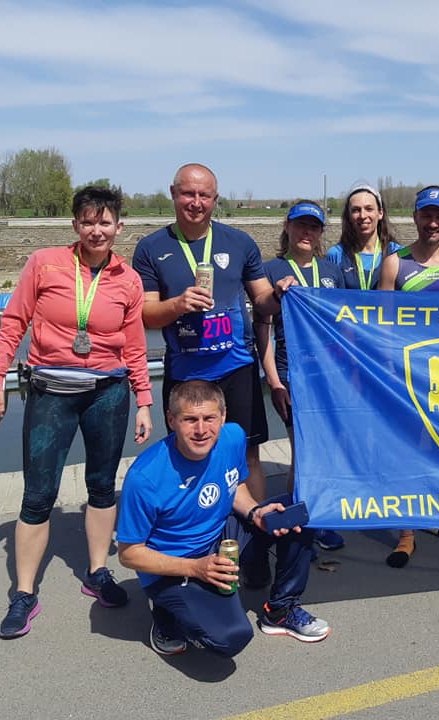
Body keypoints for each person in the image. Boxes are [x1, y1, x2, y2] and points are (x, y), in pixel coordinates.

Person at [0, 186, 153, 639]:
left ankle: (97, 572)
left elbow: (135, 346)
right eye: (88, 221)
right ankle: (24, 593)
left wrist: (144, 400)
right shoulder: (45, 263)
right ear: (75, 224)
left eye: (105, 222)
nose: (97, 230)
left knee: (102, 487)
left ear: (119, 227)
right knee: (38, 496)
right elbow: (13, 323)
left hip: (108, 393)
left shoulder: (128, 280)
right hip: (50, 394)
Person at [117, 380, 330, 656]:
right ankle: (165, 611)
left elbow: (235, 483)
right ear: (171, 420)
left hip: (220, 538)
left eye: (209, 418)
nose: (201, 430)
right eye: (190, 420)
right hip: (175, 564)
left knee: (296, 512)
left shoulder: (233, 437)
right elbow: (129, 554)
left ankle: (280, 611)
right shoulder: (144, 477)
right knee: (231, 639)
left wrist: (255, 511)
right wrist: (195, 568)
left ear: (223, 416)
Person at [133, 163, 280, 502]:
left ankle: (255, 527)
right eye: (188, 193)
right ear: (173, 193)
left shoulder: (239, 242)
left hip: (236, 368)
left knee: (247, 457)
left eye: (204, 195)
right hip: (186, 374)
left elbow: (262, 299)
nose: (196, 202)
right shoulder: (151, 247)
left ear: (215, 198)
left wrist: (280, 294)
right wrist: (178, 305)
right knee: (190, 458)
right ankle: (198, 526)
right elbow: (147, 315)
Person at [378, 185, 439, 567]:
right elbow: (382, 325)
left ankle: (430, 513)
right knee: (405, 451)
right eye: (426, 215)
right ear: (415, 217)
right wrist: (389, 371)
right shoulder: (395, 264)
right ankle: (406, 533)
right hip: (405, 375)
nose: (433, 223)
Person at [261, 201, 346, 551]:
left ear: (321, 232)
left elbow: (344, 327)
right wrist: (273, 381)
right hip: (290, 375)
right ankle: (296, 532)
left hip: (327, 376)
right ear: (288, 227)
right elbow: (262, 330)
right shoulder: (271, 270)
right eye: (300, 225)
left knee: (324, 451)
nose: (306, 232)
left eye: (313, 226)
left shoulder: (332, 272)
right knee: (303, 453)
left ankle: (317, 521)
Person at [326, 183, 400, 289]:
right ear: (349, 216)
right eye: (356, 210)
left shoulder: (397, 253)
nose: (363, 215)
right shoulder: (336, 254)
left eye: (369, 209)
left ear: (380, 213)